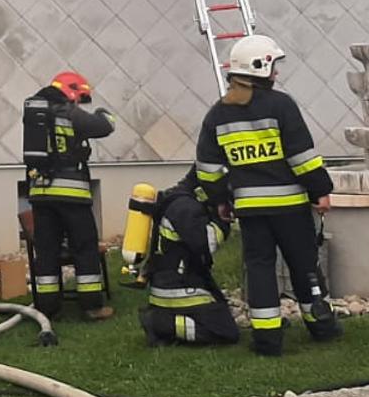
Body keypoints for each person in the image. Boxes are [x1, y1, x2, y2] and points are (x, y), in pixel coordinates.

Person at [193, 34, 340, 357]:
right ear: (261, 67)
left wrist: (221, 200)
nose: (277, 73)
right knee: (303, 264)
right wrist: (321, 191)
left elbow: (207, 168)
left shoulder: (218, 114)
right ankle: (322, 325)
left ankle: (267, 338)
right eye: (273, 66)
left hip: (249, 209)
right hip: (290, 206)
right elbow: (302, 156)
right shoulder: (281, 105)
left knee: (259, 268)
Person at [21, 71, 118, 320]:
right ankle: (92, 306)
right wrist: (101, 113)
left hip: (40, 193)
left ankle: (47, 307)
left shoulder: (35, 114)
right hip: (71, 194)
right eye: (79, 96)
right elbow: (105, 126)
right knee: (84, 247)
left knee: (46, 250)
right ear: (71, 91)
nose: (78, 102)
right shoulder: (68, 112)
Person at [136, 173, 240, 347]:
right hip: (178, 289)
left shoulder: (180, 199)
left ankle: (167, 320)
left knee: (221, 314)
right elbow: (207, 243)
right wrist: (222, 222)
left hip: (176, 282)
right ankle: (162, 324)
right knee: (225, 333)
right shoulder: (185, 208)